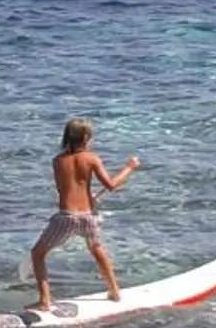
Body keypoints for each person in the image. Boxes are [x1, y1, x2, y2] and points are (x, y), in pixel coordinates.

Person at [29, 118, 141, 311]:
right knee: (97, 248)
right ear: (86, 137)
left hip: (66, 217)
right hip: (88, 215)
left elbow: (64, 189)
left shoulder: (57, 161)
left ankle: (45, 301)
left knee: (37, 254)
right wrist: (129, 168)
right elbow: (111, 186)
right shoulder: (92, 158)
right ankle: (114, 290)